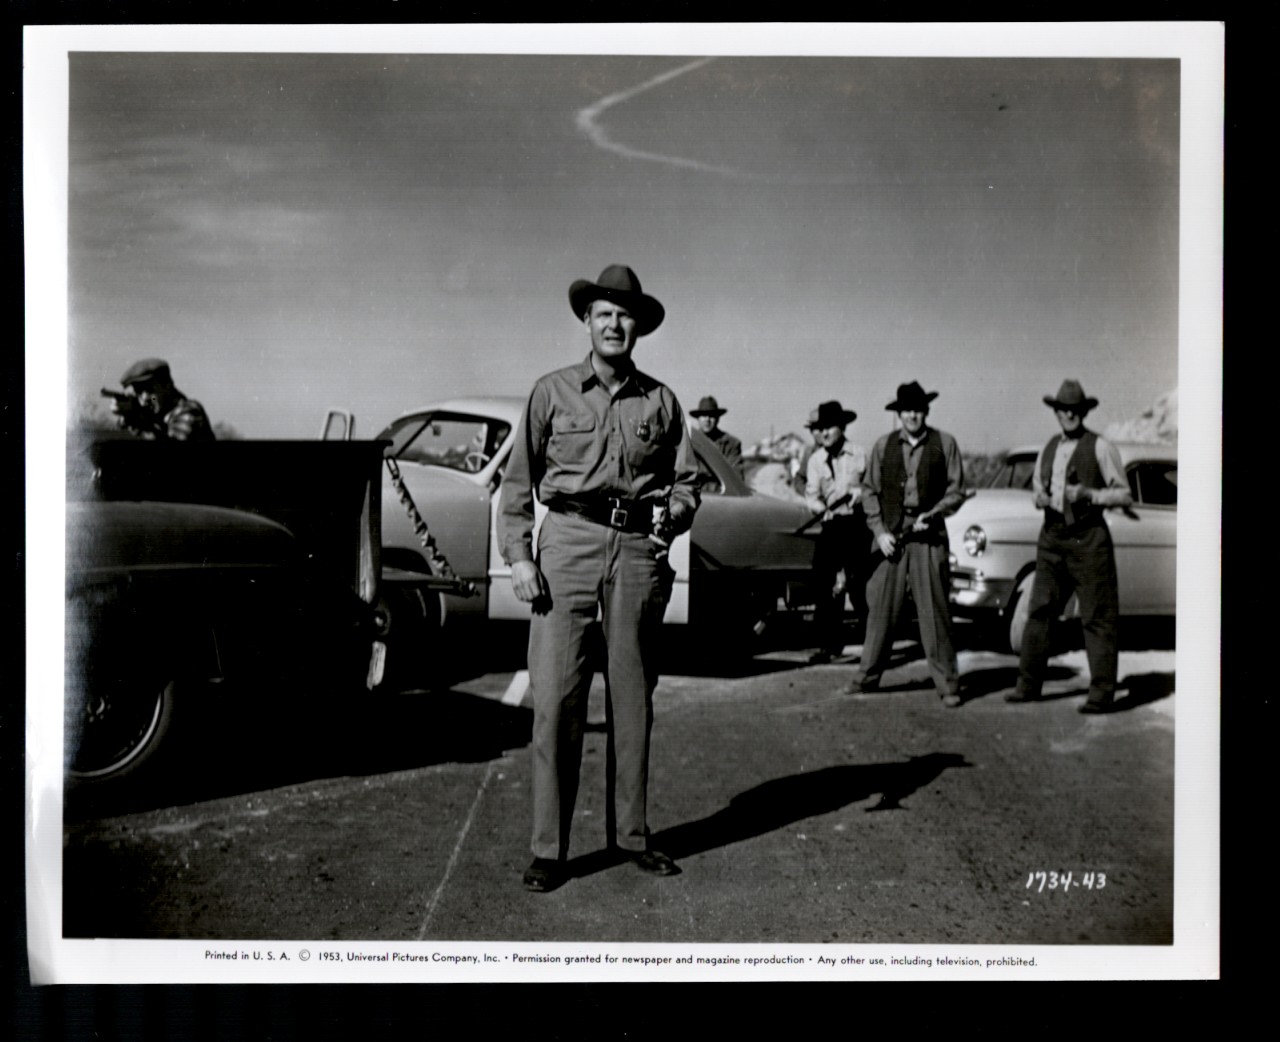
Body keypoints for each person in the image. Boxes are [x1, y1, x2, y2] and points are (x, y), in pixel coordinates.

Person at [497, 264, 700, 893]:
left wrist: (674, 516)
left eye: (625, 315)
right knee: (557, 700)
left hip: (637, 552)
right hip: (567, 547)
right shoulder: (551, 392)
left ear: (639, 327)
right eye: (604, 314)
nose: (614, 324)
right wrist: (520, 557)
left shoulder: (661, 402)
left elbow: (688, 483)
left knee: (633, 699)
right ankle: (549, 849)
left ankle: (632, 836)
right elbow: (516, 484)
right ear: (587, 321)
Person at [1006, 380, 1134, 714]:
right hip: (1052, 537)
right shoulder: (1048, 447)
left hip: (1088, 538)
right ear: (1056, 412)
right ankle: (1028, 685)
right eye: (1063, 409)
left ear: (1083, 412)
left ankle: (1102, 694)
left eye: (1074, 410)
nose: (1069, 415)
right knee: (1039, 611)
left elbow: (1124, 495)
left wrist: (1090, 495)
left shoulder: (1101, 447)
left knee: (1097, 616)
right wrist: (1039, 498)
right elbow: (1038, 487)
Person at [846, 381, 966, 706]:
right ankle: (866, 678)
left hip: (929, 538)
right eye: (906, 410)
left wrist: (935, 513)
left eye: (918, 410)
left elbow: (957, 490)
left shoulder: (945, 443)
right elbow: (869, 491)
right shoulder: (883, 446)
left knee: (934, 611)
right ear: (898, 414)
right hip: (892, 538)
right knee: (881, 611)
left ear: (926, 411)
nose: (912, 416)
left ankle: (949, 685)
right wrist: (879, 532)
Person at [803, 400, 868, 664]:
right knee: (823, 583)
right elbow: (811, 495)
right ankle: (828, 645)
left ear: (842, 427)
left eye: (830, 427)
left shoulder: (860, 454)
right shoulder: (815, 460)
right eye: (821, 428)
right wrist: (822, 509)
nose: (825, 433)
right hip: (830, 525)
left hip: (856, 525)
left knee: (859, 584)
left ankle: (872, 642)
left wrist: (859, 495)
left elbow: (873, 488)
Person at [110, 358, 215, 441]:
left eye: (150, 390)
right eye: (139, 391)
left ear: (168, 386)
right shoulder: (155, 409)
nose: (145, 398)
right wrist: (127, 418)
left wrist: (135, 422)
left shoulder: (189, 411)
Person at [688, 395, 744, 487]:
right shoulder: (688, 443)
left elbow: (737, 479)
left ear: (718, 418)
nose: (707, 419)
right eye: (703, 415)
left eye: (711, 415)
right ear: (698, 418)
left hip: (720, 494)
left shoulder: (730, 444)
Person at [792, 408, 821, 497]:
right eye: (817, 428)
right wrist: (809, 493)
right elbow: (799, 478)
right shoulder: (809, 452)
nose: (822, 432)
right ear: (811, 431)